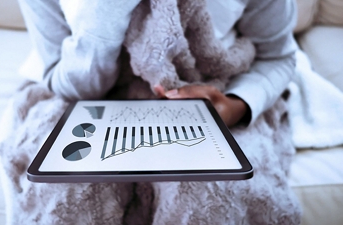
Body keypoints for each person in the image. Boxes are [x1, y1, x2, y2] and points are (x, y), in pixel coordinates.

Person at [17, 0, 299, 223]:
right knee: (68, 191)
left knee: (210, 194)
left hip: (213, 89)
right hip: (90, 95)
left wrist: (236, 105)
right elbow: (69, 82)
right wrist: (105, 13)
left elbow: (278, 55)